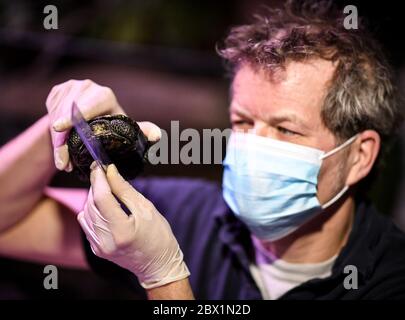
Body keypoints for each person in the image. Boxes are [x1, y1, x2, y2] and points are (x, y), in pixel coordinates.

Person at [1, 1, 405, 300]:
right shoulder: (189, 215)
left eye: (285, 129)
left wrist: (163, 276)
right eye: (243, 122)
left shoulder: (388, 280)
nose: (253, 146)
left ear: (359, 156)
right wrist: (59, 125)